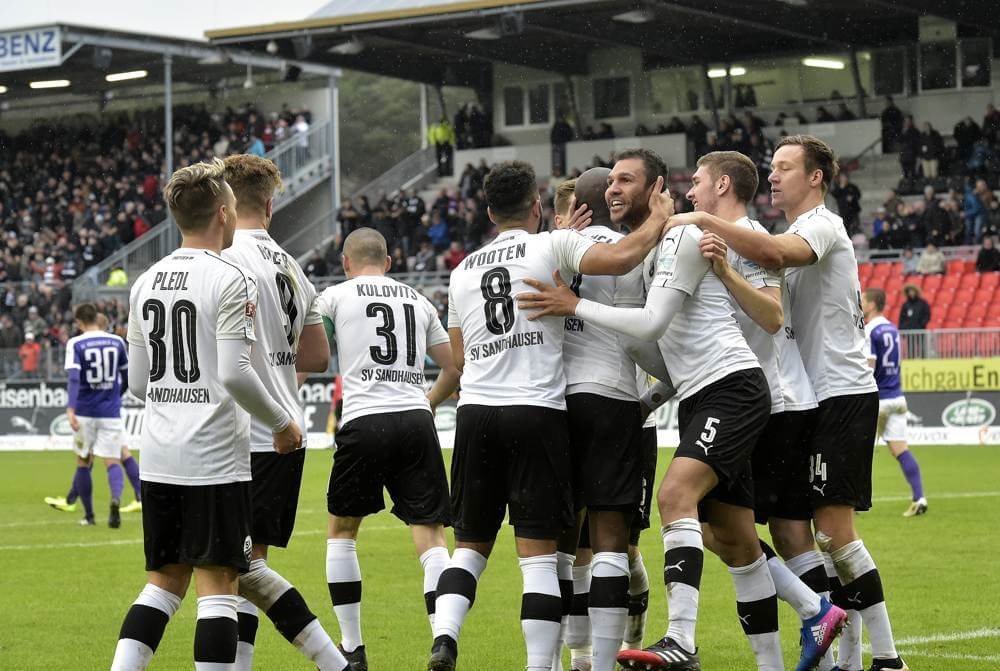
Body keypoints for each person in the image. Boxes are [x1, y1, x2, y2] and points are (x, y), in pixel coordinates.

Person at [520, 149, 781, 671]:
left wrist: (576, 304)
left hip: (730, 385)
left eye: (626, 180)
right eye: (610, 182)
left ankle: (680, 638)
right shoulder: (652, 247)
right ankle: (806, 624)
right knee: (735, 540)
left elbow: (649, 326)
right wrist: (647, 399)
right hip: (699, 393)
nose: (614, 189)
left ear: (655, 187)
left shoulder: (681, 237)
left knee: (673, 496)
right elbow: (653, 352)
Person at [659, 135, 907, 671]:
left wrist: (696, 220)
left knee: (824, 534)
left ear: (816, 177)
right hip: (804, 394)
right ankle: (838, 650)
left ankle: (883, 657)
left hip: (835, 392)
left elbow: (772, 266)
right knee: (786, 532)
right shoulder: (774, 236)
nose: (773, 175)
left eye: (785, 167)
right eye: (771, 168)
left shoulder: (820, 225)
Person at [426, 160, 668, 671]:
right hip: (539, 408)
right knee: (545, 556)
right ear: (537, 205)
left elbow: (459, 357)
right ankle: (552, 664)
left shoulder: (462, 269)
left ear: (488, 212)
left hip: (475, 413)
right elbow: (621, 257)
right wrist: (659, 218)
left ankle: (445, 635)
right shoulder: (551, 245)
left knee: (469, 546)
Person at [109, 159, 309, 671]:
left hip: (160, 457)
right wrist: (282, 423)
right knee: (220, 585)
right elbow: (235, 373)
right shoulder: (230, 277)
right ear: (223, 213)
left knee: (162, 585)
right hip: (214, 458)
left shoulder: (145, 280)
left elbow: (137, 383)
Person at [685, 151, 847, 671]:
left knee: (734, 529)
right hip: (763, 402)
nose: (690, 191)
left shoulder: (750, 237)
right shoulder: (727, 239)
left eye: (697, 181)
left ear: (722, 185)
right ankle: (820, 632)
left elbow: (772, 316)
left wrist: (725, 272)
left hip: (771, 403)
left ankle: (820, 625)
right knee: (755, 533)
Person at [220, 154, 348, 671]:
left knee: (229, 569)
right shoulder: (293, 268)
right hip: (285, 433)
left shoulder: (224, 259)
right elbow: (316, 356)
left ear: (224, 204)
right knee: (253, 564)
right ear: (270, 205)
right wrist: (277, 385)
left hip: (236, 434)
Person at [318, 228, 461, 671]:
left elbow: (314, 354)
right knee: (431, 537)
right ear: (390, 261)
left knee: (342, 532)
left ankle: (353, 648)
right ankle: (442, 639)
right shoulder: (418, 300)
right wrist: (429, 401)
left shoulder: (334, 296)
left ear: (345, 263)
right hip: (415, 420)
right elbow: (453, 366)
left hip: (364, 419)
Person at [45, 311, 144, 520]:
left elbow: (74, 379)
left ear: (80, 322)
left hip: (85, 410)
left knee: (84, 460)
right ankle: (114, 498)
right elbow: (127, 376)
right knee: (115, 458)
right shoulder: (116, 342)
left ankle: (88, 514)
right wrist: (115, 395)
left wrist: (70, 408)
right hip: (110, 410)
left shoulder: (77, 343)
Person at [862, 288, 927, 517]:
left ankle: (850, 502)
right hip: (897, 398)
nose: (860, 303)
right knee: (901, 450)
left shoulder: (869, 330)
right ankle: (919, 497)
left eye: (863, 300)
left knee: (856, 450)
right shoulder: (892, 328)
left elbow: (869, 368)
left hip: (879, 399)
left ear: (872, 304)